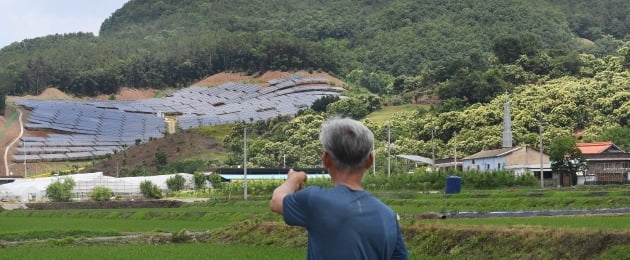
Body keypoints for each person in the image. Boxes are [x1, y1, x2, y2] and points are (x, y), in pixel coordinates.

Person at [270, 117, 409, 260]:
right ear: (370, 161)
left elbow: (276, 201)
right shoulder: (388, 216)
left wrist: (292, 180)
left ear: (326, 159)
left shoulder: (315, 201)